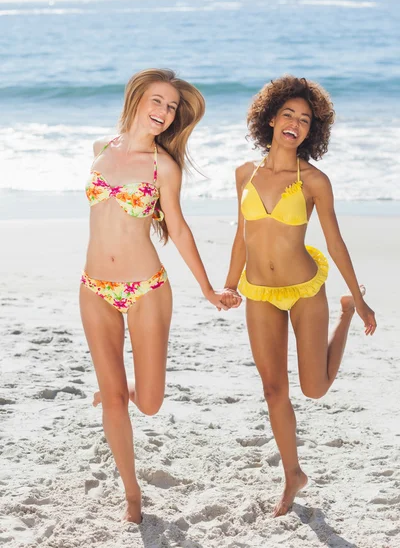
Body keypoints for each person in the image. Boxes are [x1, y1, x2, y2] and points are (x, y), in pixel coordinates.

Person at [80, 69, 237, 524]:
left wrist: (208, 288)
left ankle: (123, 389)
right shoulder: (100, 150)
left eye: (171, 107)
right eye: (157, 101)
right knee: (113, 401)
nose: (164, 113)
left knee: (148, 402)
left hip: (147, 288)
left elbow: (179, 228)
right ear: (136, 98)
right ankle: (132, 494)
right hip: (94, 288)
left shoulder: (162, 167)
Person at [222, 75, 377, 517]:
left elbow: (336, 242)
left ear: (313, 131)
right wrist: (230, 284)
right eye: (288, 114)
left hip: (305, 289)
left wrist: (357, 299)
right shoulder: (244, 174)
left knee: (314, 389)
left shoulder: (314, 180)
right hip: (259, 293)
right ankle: (293, 474)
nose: (295, 123)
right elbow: (241, 236)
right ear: (270, 118)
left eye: (305, 119)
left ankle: (343, 316)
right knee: (274, 389)